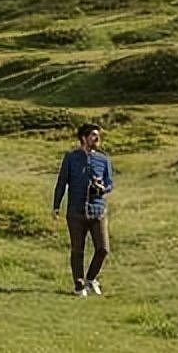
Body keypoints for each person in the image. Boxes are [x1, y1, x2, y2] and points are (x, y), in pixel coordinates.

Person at [52, 122, 113, 297]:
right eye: (93, 135)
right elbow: (62, 182)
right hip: (76, 211)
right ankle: (79, 286)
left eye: (97, 135)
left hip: (98, 210)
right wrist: (56, 205)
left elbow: (110, 183)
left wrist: (102, 188)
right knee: (77, 250)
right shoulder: (71, 158)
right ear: (84, 138)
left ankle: (91, 278)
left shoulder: (103, 159)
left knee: (103, 249)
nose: (97, 138)